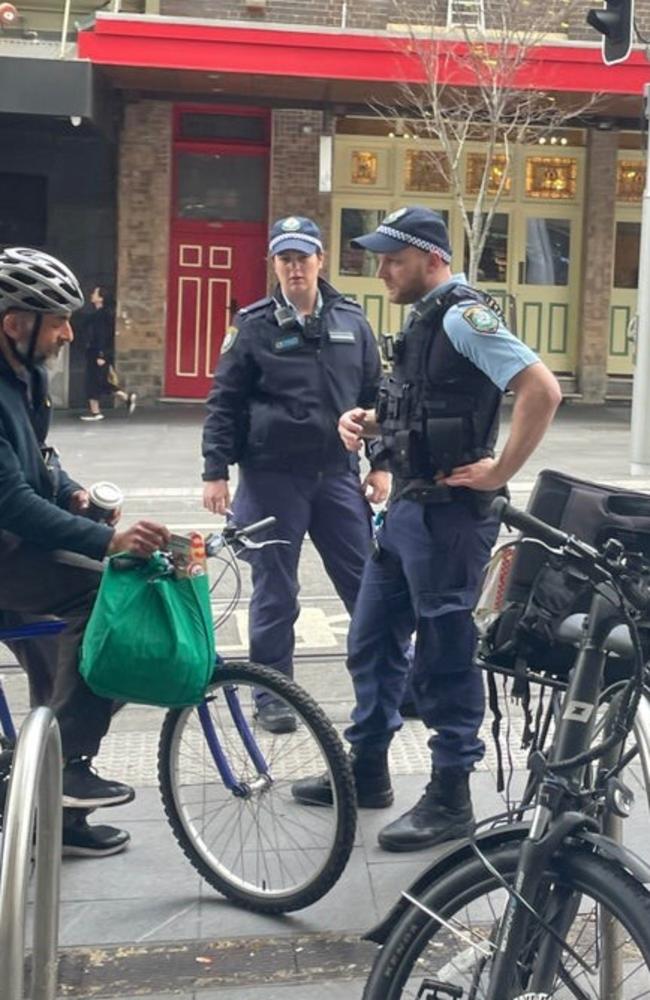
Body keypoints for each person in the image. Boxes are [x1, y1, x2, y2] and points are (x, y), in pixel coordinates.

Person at [293, 207, 562, 851]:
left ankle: (450, 795)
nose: (381, 270)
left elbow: (541, 389)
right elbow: (423, 409)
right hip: (409, 510)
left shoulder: (466, 316)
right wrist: (371, 421)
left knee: (444, 654)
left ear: (432, 257)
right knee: (372, 638)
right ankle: (367, 770)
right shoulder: (424, 321)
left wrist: (501, 471)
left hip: (449, 519)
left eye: (393, 259)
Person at [0, 247, 169, 856]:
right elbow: (11, 501)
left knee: (69, 675)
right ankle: (66, 766)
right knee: (104, 592)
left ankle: (57, 821)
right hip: (7, 551)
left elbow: (37, 462)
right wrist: (106, 539)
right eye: (57, 320)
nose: (69, 332)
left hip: (18, 552)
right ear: (15, 323)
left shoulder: (26, 376)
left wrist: (70, 491)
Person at [202, 216, 390, 733]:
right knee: (274, 591)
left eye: (302, 257)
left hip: (335, 474)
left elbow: (376, 397)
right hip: (270, 478)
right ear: (274, 264)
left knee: (368, 582)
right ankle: (272, 694)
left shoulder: (353, 320)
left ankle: (394, 683)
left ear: (319, 260)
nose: (294, 267)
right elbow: (225, 402)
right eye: (284, 258)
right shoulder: (253, 324)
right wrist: (214, 471)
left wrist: (383, 464)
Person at [80, 285, 136, 421]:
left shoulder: (102, 315)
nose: (92, 295)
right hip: (97, 352)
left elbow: (102, 336)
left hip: (98, 353)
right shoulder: (101, 314)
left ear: (101, 298)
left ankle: (96, 412)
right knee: (102, 381)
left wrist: (101, 354)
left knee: (93, 381)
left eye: (95, 293)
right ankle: (125, 398)